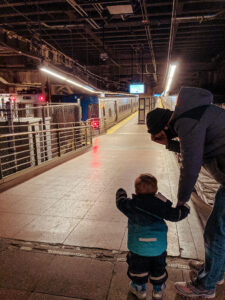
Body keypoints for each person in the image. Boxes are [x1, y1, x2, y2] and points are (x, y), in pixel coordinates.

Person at [146, 86, 225, 298]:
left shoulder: (186, 122)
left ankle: (206, 286)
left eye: (159, 134)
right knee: (217, 230)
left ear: (165, 125)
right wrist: (169, 143)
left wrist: (181, 200)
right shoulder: (190, 114)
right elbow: (194, 147)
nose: (161, 137)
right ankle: (215, 271)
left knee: (217, 232)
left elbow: (191, 163)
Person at [116, 173, 190, 299]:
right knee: (158, 269)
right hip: (158, 249)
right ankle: (158, 291)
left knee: (137, 269)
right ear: (156, 190)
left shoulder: (131, 205)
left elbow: (120, 203)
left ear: (136, 191)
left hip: (137, 249)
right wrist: (184, 209)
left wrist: (121, 192)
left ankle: (139, 290)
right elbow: (175, 215)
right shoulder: (161, 205)